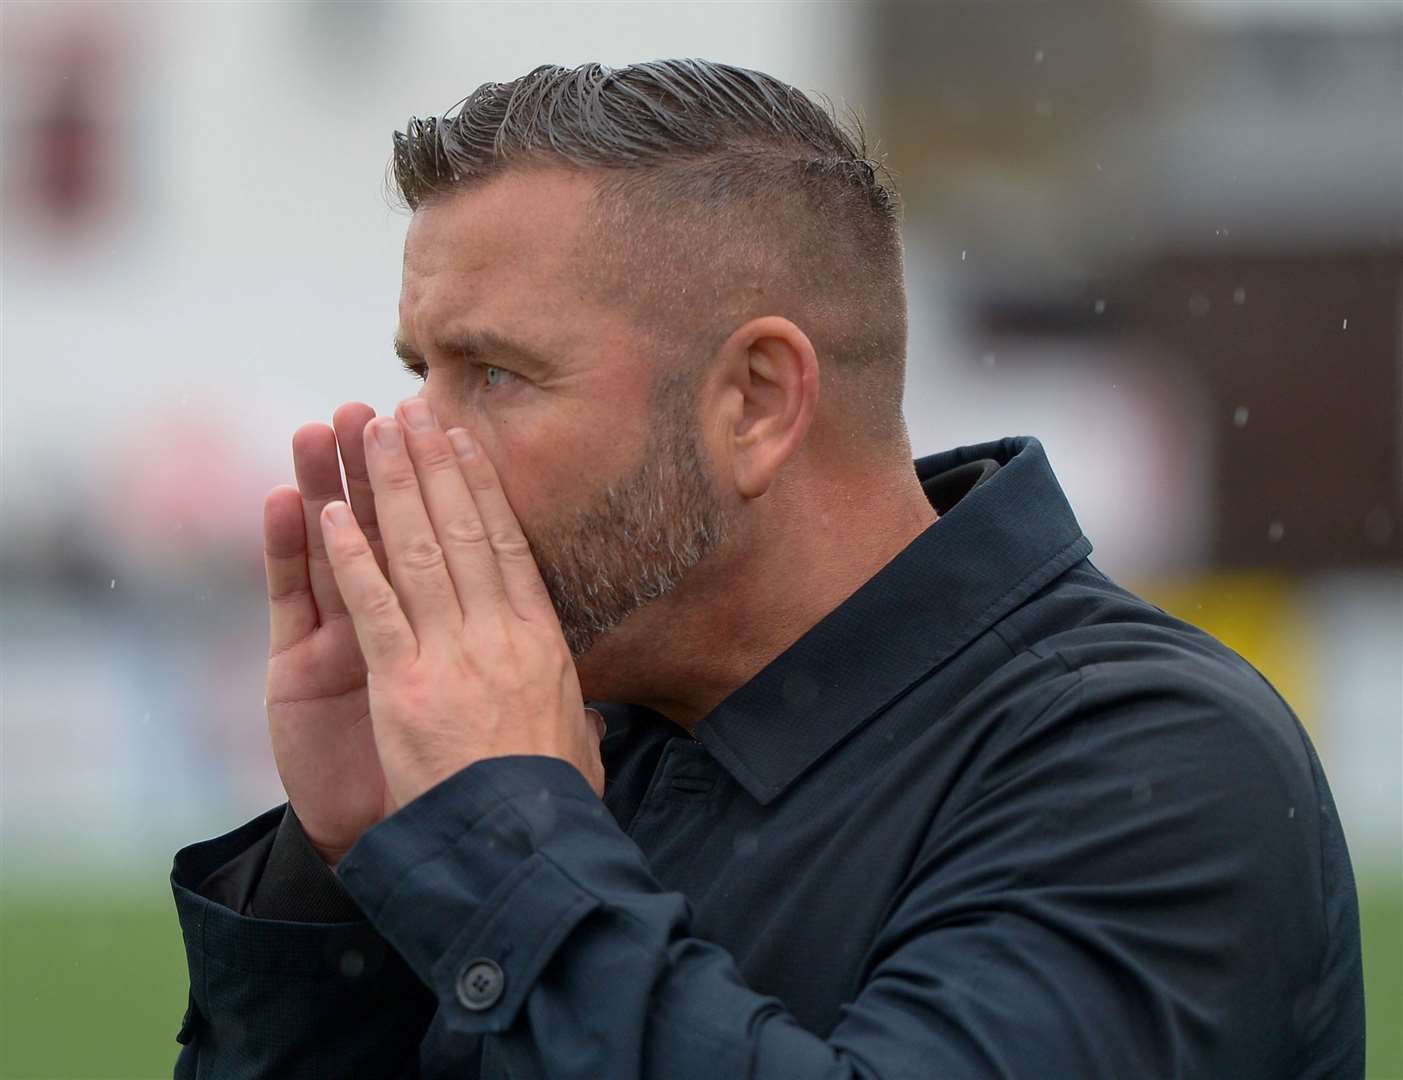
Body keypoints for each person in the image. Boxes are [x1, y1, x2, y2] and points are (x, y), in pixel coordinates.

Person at [169, 59, 1364, 1079]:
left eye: (492, 376)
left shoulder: (1149, 762)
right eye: (417, 370)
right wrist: (338, 879)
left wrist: (509, 837)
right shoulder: (579, 738)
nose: (407, 447)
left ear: (753, 401)